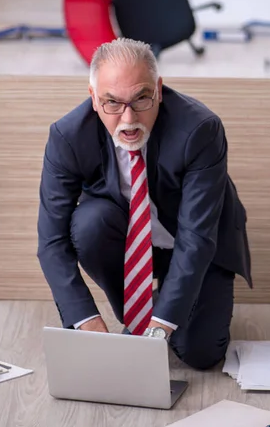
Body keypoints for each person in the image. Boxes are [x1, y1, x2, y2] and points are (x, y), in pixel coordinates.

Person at [37, 38, 252, 370]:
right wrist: (85, 321)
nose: (128, 118)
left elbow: (197, 238)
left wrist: (162, 326)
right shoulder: (68, 137)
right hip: (128, 244)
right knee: (88, 224)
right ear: (93, 98)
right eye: (112, 102)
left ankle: (161, 307)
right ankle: (138, 306)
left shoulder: (200, 129)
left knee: (200, 353)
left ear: (159, 89)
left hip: (196, 245)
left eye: (141, 99)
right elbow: (52, 241)